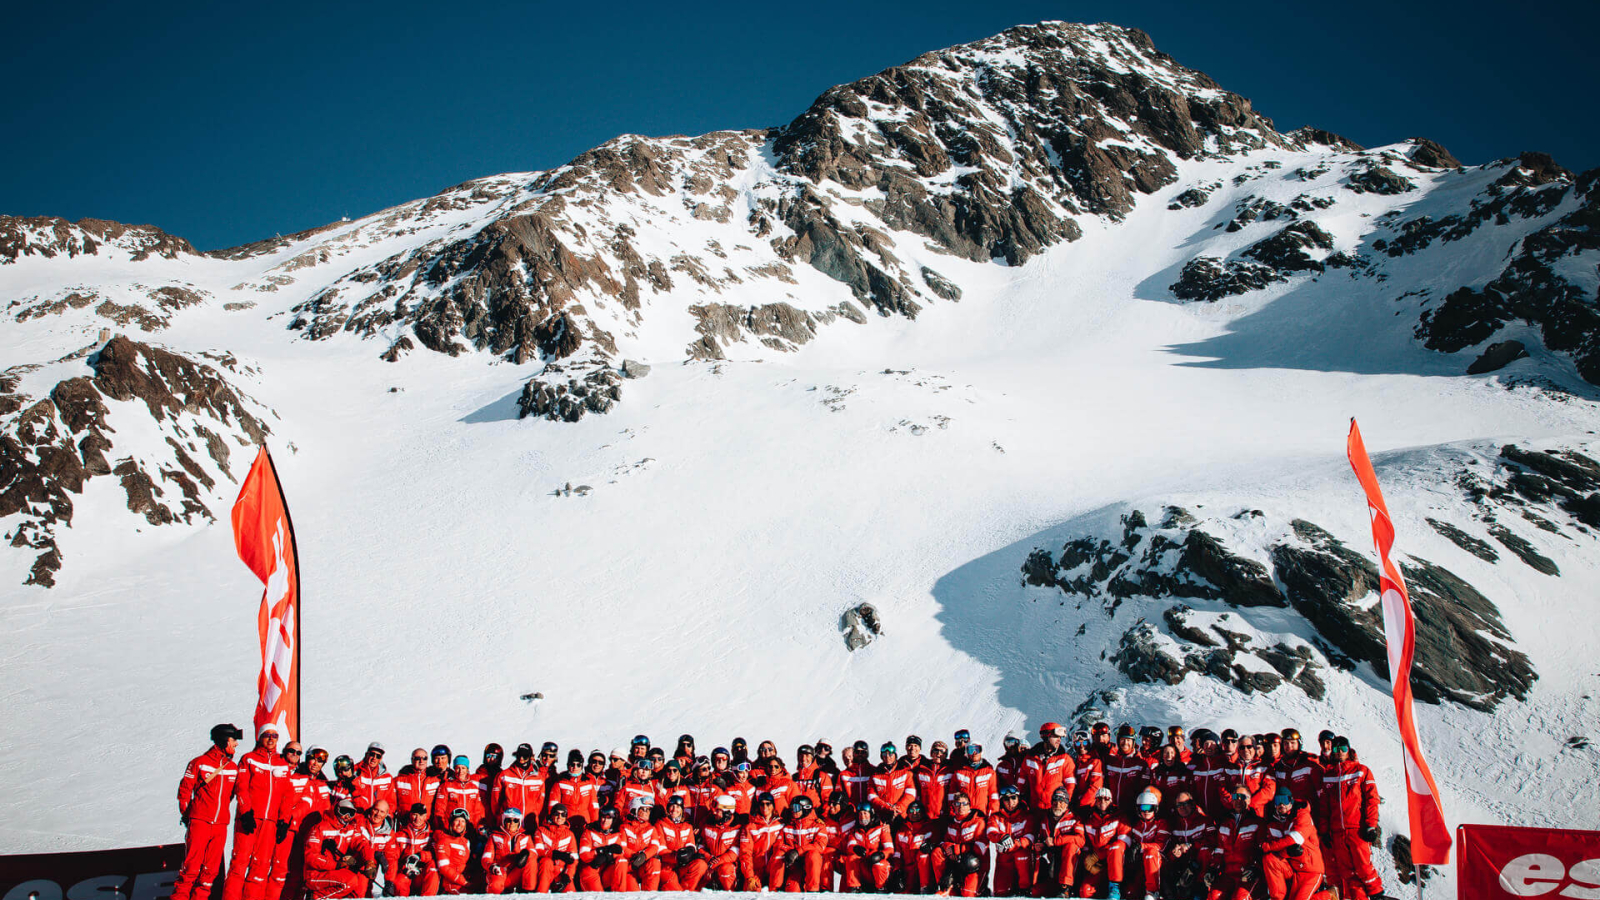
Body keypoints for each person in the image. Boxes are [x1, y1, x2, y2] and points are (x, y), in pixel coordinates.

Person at [174, 723, 242, 900]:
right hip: (200, 822)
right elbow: (184, 790)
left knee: (209, 872)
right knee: (191, 869)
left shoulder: (233, 768)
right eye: (234, 739)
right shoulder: (199, 763)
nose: (236, 744)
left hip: (220, 824)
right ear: (223, 739)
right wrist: (188, 814)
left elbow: (231, 795)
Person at [223, 723, 291, 900]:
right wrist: (245, 812)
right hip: (249, 819)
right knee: (239, 863)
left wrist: (283, 821)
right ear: (260, 737)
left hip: (270, 823)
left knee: (261, 866)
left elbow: (286, 796)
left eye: (274, 735)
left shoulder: (283, 764)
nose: (270, 739)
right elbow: (241, 787)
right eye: (267, 735)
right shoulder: (249, 758)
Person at [1316, 737, 1386, 900]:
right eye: (1335, 749)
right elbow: (1324, 806)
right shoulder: (1328, 774)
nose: (1339, 752)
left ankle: (1377, 894)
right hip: (1337, 832)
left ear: (1349, 749)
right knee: (1347, 871)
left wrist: (1370, 825)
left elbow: (1372, 799)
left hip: (1357, 829)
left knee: (1363, 867)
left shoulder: (1361, 770)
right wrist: (1325, 830)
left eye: (1343, 748)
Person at [301, 797, 377, 899]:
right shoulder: (320, 828)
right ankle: (316, 897)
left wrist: (369, 861)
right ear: (336, 810)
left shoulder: (348, 830)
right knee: (350, 881)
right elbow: (311, 857)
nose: (346, 816)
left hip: (335, 872)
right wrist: (336, 864)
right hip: (315, 874)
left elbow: (362, 844)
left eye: (351, 813)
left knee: (358, 889)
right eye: (344, 811)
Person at [1260, 789, 1324, 900]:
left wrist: (1269, 847)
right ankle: (1278, 898)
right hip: (1294, 870)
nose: (1281, 804)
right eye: (1277, 801)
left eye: (1284, 800)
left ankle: (1328, 895)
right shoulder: (1274, 822)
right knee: (1269, 858)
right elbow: (1283, 850)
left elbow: (1295, 839)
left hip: (1310, 870)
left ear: (1291, 801)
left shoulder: (1302, 815)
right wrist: (1285, 852)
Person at [1206, 787, 1263, 900]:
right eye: (1235, 797)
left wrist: (1256, 868)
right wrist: (1213, 868)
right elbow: (1219, 850)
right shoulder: (1225, 823)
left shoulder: (1258, 822)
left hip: (1248, 874)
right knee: (1214, 896)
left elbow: (1263, 850)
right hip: (1229, 874)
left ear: (1250, 800)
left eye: (1243, 797)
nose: (1238, 800)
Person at [931, 791, 987, 898]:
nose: (961, 807)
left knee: (967, 894)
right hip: (957, 863)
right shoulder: (952, 823)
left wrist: (959, 849)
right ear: (953, 806)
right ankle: (946, 887)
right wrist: (948, 847)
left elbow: (982, 847)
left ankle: (981, 888)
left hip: (974, 866)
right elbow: (944, 841)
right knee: (937, 852)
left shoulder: (978, 822)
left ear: (970, 805)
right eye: (957, 804)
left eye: (964, 803)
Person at [986, 785, 1036, 897]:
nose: (1010, 802)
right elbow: (990, 833)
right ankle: (1011, 886)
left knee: (1021, 854)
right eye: (1006, 799)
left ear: (1019, 799)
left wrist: (1016, 844)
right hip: (1004, 857)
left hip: (1021, 854)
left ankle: (1024, 888)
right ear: (1001, 800)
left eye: (1013, 798)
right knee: (1001, 893)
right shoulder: (995, 817)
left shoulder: (1027, 816)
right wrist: (1001, 837)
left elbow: (1030, 837)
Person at [1079, 788, 1128, 900]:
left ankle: (1115, 887)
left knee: (1117, 846)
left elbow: (1125, 842)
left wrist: (1099, 855)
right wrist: (1087, 861)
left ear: (1111, 801)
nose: (1103, 802)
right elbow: (1085, 844)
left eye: (1106, 799)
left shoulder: (1119, 817)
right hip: (1100, 866)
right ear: (1095, 801)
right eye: (1099, 799)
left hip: (1117, 863)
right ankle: (1105, 890)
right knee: (1085, 892)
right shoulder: (1089, 820)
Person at [1038, 787, 1087, 897]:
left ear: (1067, 804)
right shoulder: (1045, 819)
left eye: (1061, 802)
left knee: (1071, 847)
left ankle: (1065, 888)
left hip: (1070, 862)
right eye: (1055, 801)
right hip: (1053, 861)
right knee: (1037, 892)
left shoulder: (1075, 819)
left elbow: (1080, 840)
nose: (1058, 805)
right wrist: (1040, 845)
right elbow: (1039, 838)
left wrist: (1056, 841)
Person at [654, 796, 710, 890]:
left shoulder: (687, 826)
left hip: (683, 867)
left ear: (682, 809)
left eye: (678, 807)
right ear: (668, 808)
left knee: (701, 864)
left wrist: (691, 854)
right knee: (676, 892)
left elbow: (691, 845)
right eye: (672, 806)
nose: (674, 810)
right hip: (667, 868)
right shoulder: (660, 824)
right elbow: (660, 850)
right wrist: (676, 856)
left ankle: (688, 892)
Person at [1124, 789, 1170, 900]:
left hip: (1158, 864)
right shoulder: (1135, 826)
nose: (1146, 811)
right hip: (1141, 866)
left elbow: (1160, 846)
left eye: (1150, 808)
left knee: (1151, 852)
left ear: (1155, 809)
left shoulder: (1161, 824)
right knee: (1130, 893)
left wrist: (1141, 846)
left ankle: (1153, 892)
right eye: (1143, 808)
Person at [778, 795, 829, 892]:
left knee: (813, 854)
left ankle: (813, 891)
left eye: (796, 808)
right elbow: (779, 844)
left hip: (813, 866)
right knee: (792, 890)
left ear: (806, 809)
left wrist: (798, 851)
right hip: (796, 865)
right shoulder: (788, 826)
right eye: (792, 808)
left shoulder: (818, 826)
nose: (793, 811)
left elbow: (820, 846)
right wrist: (790, 852)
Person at [482, 807, 537, 893]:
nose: (512, 823)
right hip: (500, 872)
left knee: (531, 859)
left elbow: (534, 854)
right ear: (504, 821)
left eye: (515, 820)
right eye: (508, 820)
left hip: (516, 873)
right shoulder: (494, 836)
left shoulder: (525, 837)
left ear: (519, 822)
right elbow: (486, 858)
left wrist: (525, 854)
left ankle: (528, 891)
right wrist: (492, 866)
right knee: (495, 887)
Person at [841, 803, 893, 891]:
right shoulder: (855, 831)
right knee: (851, 859)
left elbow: (890, 849)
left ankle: (881, 888)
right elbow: (850, 846)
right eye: (860, 814)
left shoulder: (881, 829)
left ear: (871, 814)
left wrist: (880, 855)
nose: (862, 817)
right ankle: (855, 887)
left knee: (879, 865)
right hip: (864, 866)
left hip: (877, 864)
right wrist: (855, 848)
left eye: (865, 813)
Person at [619, 794, 666, 890]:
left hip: (643, 865)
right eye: (644, 809)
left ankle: (650, 894)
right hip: (630, 867)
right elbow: (622, 847)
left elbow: (654, 846)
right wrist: (634, 856)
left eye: (649, 810)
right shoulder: (624, 827)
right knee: (633, 893)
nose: (647, 813)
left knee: (655, 863)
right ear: (634, 810)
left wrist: (644, 856)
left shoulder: (651, 829)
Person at [424, 808, 474, 895]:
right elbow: (443, 868)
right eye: (457, 821)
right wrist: (464, 882)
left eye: (462, 821)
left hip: (463, 879)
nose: (460, 824)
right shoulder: (444, 840)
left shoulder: (466, 842)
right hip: (451, 883)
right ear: (451, 823)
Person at [699, 794, 745, 890]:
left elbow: (735, 852)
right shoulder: (708, 824)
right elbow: (700, 845)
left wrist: (717, 862)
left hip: (726, 866)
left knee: (726, 869)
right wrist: (708, 858)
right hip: (709, 863)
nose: (714, 812)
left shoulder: (737, 828)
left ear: (727, 813)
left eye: (718, 810)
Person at [433, 755, 487, 835]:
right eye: (457, 768)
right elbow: (439, 810)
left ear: (467, 769)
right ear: (454, 769)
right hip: (452, 829)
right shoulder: (446, 786)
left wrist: (477, 827)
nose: (460, 771)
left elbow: (478, 811)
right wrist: (444, 827)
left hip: (469, 829)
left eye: (463, 768)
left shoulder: (474, 787)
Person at [893, 800, 939, 893]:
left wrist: (931, 846)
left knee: (923, 855)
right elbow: (897, 854)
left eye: (918, 810)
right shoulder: (902, 830)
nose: (914, 813)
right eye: (911, 810)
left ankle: (925, 888)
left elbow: (937, 847)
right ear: (907, 813)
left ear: (922, 812)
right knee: (903, 893)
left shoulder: (930, 828)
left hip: (925, 870)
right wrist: (897, 870)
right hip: (909, 870)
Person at [388, 804, 434, 897]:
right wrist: (405, 869)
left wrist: (420, 857)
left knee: (433, 868)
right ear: (410, 815)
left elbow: (434, 854)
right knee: (399, 882)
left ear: (425, 816)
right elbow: (394, 858)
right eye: (415, 815)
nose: (418, 818)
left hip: (421, 874)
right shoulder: (400, 834)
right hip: (406, 873)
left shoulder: (431, 836)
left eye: (421, 815)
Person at [578, 806, 628, 891]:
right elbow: (584, 855)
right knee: (599, 896)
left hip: (607, 870)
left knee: (622, 861)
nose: (604, 821)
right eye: (603, 817)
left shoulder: (618, 833)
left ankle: (620, 895)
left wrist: (606, 856)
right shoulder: (589, 832)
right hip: (591, 869)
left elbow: (621, 852)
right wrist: (599, 851)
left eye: (608, 818)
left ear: (613, 820)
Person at [496, 742, 549, 822]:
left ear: (530, 757)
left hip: (530, 825)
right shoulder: (505, 775)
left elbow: (540, 802)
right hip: (510, 824)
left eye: (525, 756)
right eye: (519, 755)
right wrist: (501, 817)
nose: (521, 758)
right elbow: (496, 801)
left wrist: (534, 816)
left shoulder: (538, 777)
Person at [1026, 724, 1073, 812]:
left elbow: (1071, 786)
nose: (1059, 740)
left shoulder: (1065, 759)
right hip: (1034, 811)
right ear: (1046, 737)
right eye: (1056, 736)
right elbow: (1022, 785)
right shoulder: (1030, 759)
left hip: (1055, 811)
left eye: (1060, 737)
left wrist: (1064, 804)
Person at [534, 802, 581, 892]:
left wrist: (567, 876)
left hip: (561, 872)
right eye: (556, 814)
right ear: (551, 815)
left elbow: (574, 860)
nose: (560, 817)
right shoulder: (541, 830)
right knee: (546, 862)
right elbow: (538, 851)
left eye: (563, 815)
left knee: (570, 893)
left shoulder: (570, 835)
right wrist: (555, 854)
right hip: (544, 871)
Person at [743, 793, 785, 890]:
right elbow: (745, 853)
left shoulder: (781, 823)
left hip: (774, 867)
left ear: (773, 805)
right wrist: (749, 876)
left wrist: (816, 819)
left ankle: (775, 891)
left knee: (779, 855)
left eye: (768, 804)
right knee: (752, 890)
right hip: (757, 868)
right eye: (762, 804)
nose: (765, 807)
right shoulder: (751, 826)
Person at [1104, 729, 1151, 813]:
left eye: (1128, 740)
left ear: (1133, 742)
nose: (1125, 743)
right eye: (1122, 739)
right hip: (1111, 812)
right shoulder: (1111, 762)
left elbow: (1143, 790)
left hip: (1131, 813)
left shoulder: (1141, 764)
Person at [869, 742, 917, 821]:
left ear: (895, 755)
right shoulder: (875, 774)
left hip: (901, 816)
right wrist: (887, 807)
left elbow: (911, 794)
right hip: (882, 817)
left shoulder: (905, 772)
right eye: (884, 754)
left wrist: (897, 808)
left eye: (890, 754)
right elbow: (872, 796)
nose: (887, 757)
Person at [1272, 729, 1323, 804]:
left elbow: (1321, 790)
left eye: (1293, 743)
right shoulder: (1279, 766)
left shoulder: (1308, 763)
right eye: (1286, 743)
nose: (1289, 746)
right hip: (1287, 810)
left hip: (1307, 811)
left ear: (1299, 744)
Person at [361, 800, 399, 896]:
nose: (378, 814)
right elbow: (358, 845)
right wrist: (375, 853)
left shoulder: (389, 834)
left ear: (386, 814)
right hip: (358, 865)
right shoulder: (361, 824)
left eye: (382, 812)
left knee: (368, 893)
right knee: (360, 891)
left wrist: (389, 882)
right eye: (376, 810)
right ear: (371, 810)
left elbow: (391, 858)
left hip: (371, 872)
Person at [395, 749, 441, 825]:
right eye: (417, 758)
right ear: (412, 759)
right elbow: (392, 804)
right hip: (406, 825)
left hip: (428, 825)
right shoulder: (399, 780)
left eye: (424, 758)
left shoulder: (435, 780)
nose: (421, 761)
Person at [953, 743, 1000, 816]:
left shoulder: (989, 772)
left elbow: (993, 795)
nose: (974, 753)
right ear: (966, 753)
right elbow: (952, 795)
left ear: (981, 751)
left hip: (982, 815)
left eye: (977, 749)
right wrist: (952, 812)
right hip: (964, 815)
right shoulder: (959, 772)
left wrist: (993, 814)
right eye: (971, 750)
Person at [352, 742, 396, 815]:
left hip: (378, 819)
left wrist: (386, 818)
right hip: (359, 818)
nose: (374, 758)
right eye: (372, 754)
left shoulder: (387, 777)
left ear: (380, 759)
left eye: (378, 756)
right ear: (366, 754)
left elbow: (391, 803)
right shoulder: (355, 772)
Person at [1149, 745, 1191, 813]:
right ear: (1162, 756)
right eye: (1166, 753)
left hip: (1179, 811)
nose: (1169, 755)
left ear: (1176, 755)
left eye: (1172, 753)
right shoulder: (1156, 772)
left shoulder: (1183, 771)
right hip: (1162, 811)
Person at [1071, 733, 1104, 811]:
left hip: (1089, 806)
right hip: (1078, 805)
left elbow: (1095, 787)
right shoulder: (1076, 763)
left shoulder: (1095, 762)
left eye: (1085, 743)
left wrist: (1081, 804)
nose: (1082, 746)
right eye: (1078, 743)